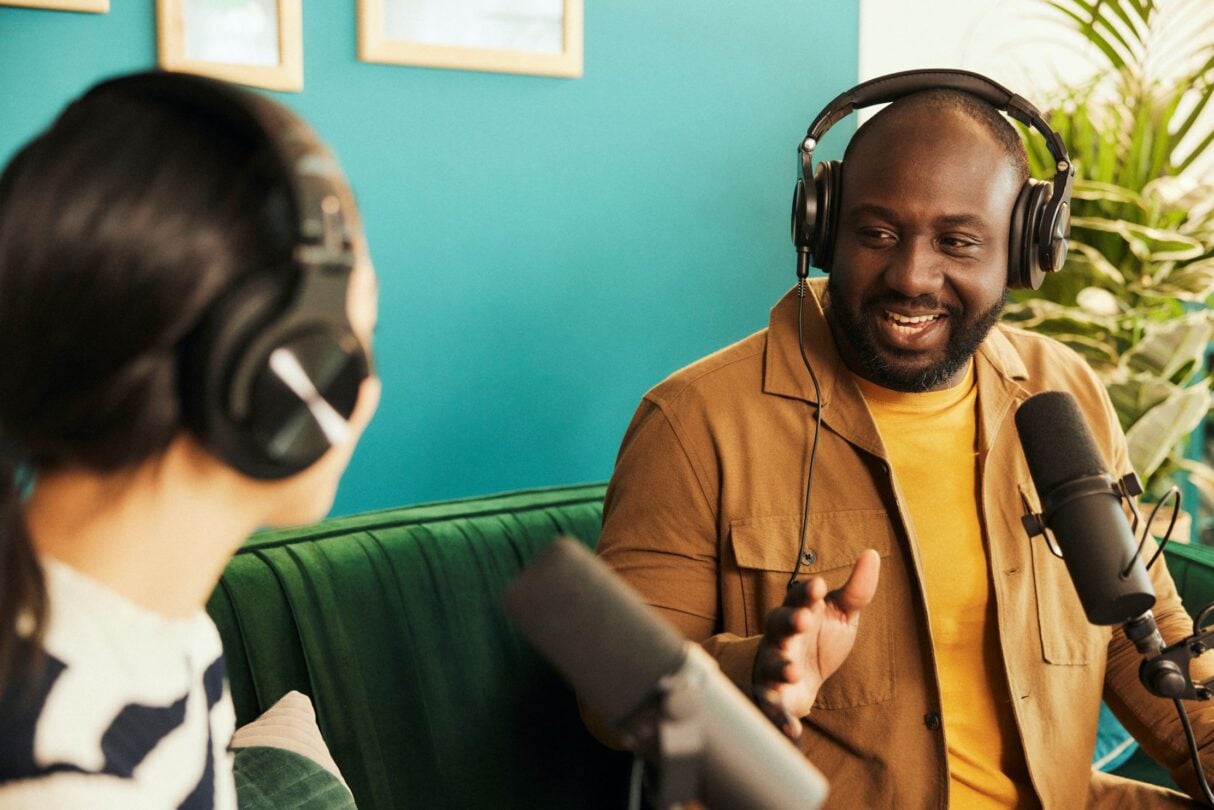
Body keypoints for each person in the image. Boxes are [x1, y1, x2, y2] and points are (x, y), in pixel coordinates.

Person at [594, 72, 1213, 808]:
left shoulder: (1060, 389)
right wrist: (757, 669)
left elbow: (1137, 636)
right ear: (823, 229)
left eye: (957, 241)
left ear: (1023, 249)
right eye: (878, 234)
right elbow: (615, 696)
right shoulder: (695, 421)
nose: (913, 277)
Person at [0, 71, 380, 807]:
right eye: (360, 341)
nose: (370, 391)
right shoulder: (59, 781)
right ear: (275, 367)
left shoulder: (163, 633)